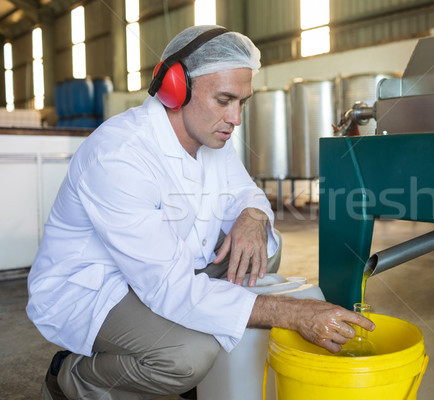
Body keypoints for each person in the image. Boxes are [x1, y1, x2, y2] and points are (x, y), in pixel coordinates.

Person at [27, 25, 375, 400]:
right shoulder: (120, 156)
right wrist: (292, 313)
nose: (236, 118)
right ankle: (74, 376)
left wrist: (254, 215)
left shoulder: (212, 141)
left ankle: (200, 341)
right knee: (188, 357)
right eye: (224, 99)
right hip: (96, 288)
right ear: (176, 88)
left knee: (264, 251)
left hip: (164, 268)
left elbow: (246, 193)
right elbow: (169, 288)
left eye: (243, 102)